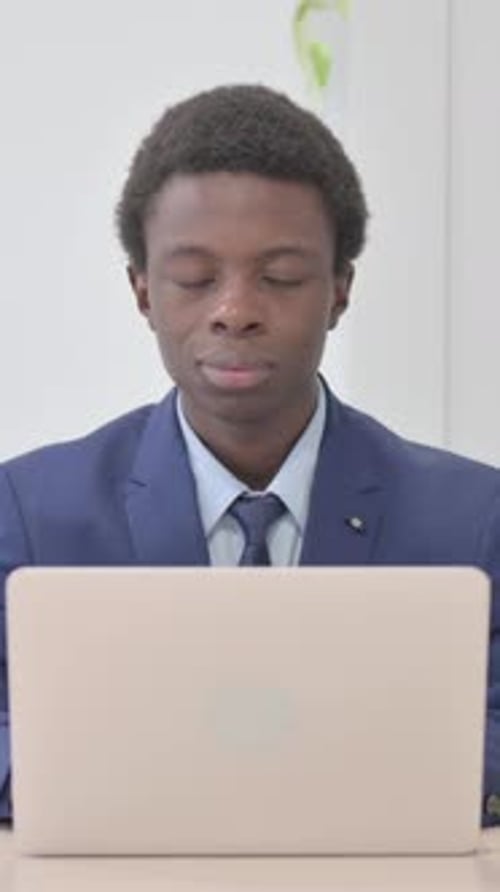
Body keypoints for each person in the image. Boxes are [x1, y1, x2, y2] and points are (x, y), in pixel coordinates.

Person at [0, 84, 499, 825]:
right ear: (142, 292)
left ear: (339, 290)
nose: (235, 310)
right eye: (196, 279)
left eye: (282, 278)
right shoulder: (30, 509)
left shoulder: (476, 516)